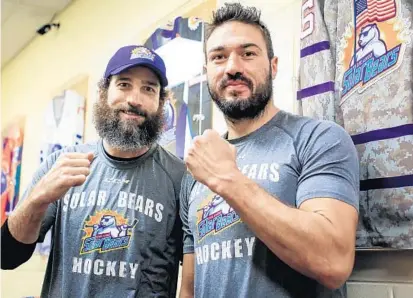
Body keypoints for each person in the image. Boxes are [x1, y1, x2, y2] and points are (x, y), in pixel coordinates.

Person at [179, 3, 360, 298]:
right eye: (219, 57)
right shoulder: (196, 170)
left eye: (248, 53)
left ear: (273, 66)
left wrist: (228, 180)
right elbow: (189, 288)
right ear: (207, 71)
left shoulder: (318, 138)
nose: (232, 67)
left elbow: (333, 261)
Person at [1, 45, 185, 298]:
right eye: (124, 84)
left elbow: (197, 276)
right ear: (103, 92)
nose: (134, 99)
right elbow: (7, 256)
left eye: (148, 89)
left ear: (160, 102)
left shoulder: (180, 178)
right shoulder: (62, 163)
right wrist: (37, 199)